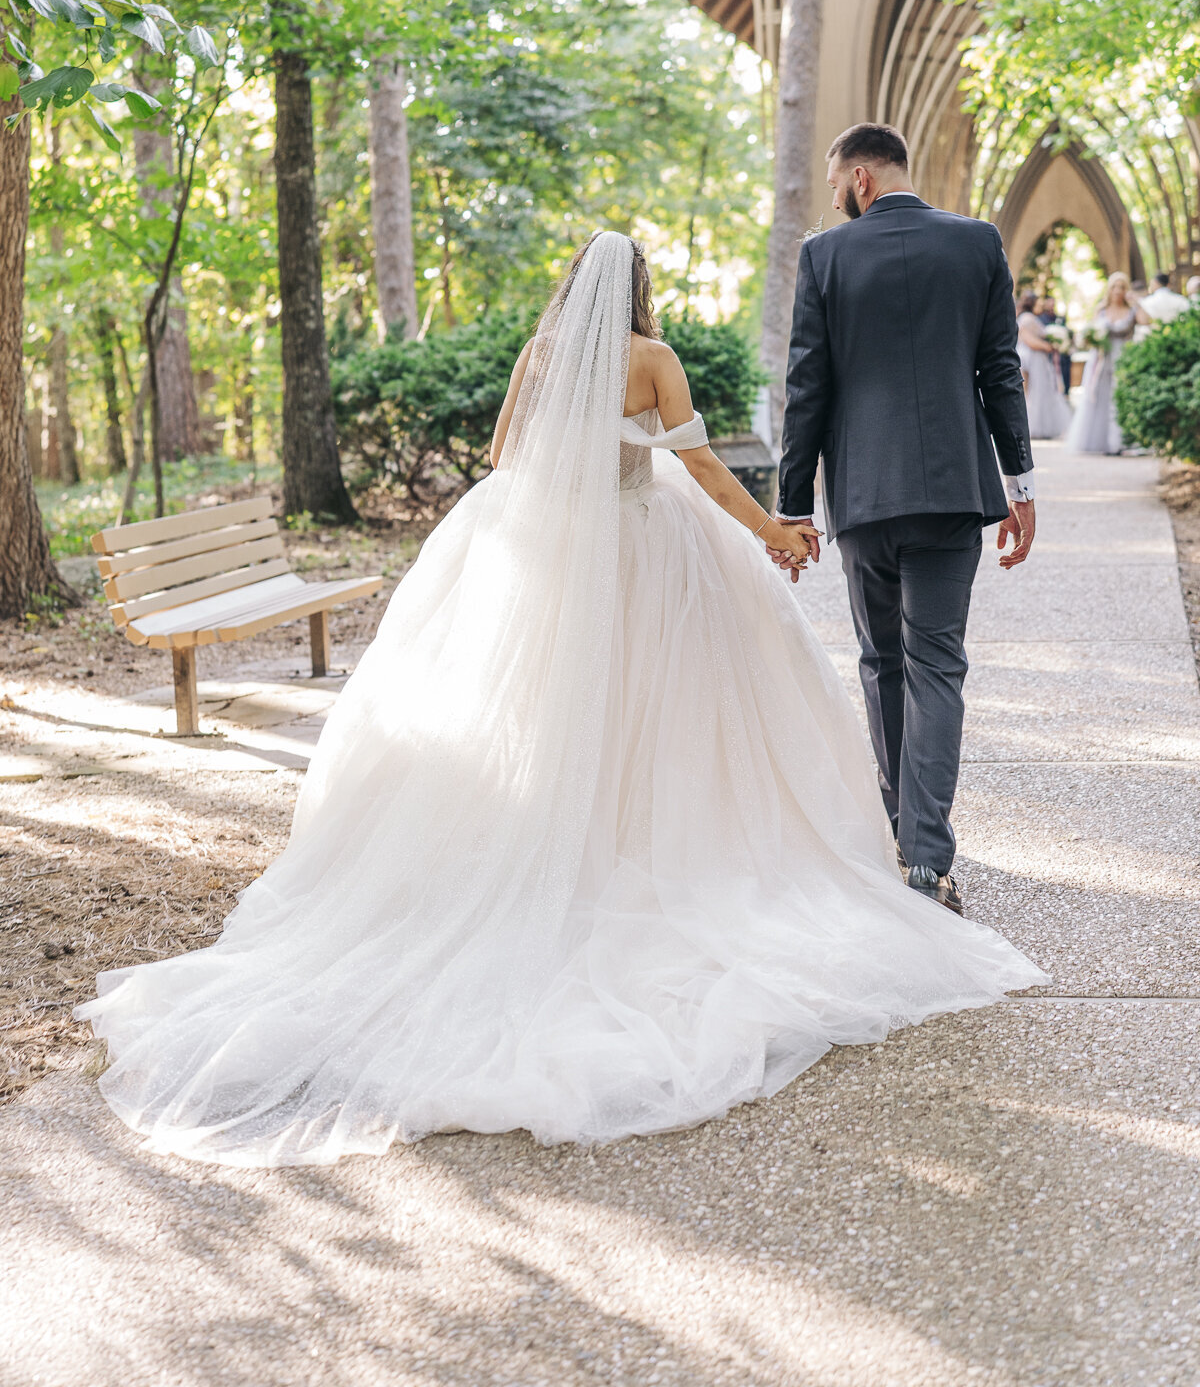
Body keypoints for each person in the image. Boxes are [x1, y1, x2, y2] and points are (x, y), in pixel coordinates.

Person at [76, 232, 1044, 1167]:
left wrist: (567, 495)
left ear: (576, 286)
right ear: (637, 289)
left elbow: (506, 454)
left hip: (547, 547)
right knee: (659, 713)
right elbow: (700, 464)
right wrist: (770, 534)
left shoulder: (541, 353)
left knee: (548, 713)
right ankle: (645, 843)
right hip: (642, 548)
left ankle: (552, 841)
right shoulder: (653, 356)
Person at [771, 123, 1037, 917]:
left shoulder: (825, 256)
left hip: (863, 499)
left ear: (858, 179)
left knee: (882, 660)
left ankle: (902, 832)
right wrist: (1020, 487)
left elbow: (806, 389)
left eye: (832, 187)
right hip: (956, 493)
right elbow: (1001, 373)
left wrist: (792, 510)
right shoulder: (978, 244)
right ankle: (927, 858)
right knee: (938, 664)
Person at [1066, 271, 1149, 455]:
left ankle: (1119, 442)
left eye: (1122, 287)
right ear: (1109, 289)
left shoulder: (1132, 310)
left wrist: (1136, 302)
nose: (1118, 291)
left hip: (1123, 358)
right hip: (1101, 360)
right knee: (1099, 397)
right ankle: (1098, 441)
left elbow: (1145, 321)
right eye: (1115, 287)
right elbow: (1092, 332)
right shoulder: (1101, 310)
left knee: (1118, 398)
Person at [1016, 290, 1072, 439]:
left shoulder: (1027, 317)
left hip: (1034, 357)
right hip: (1033, 358)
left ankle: (1042, 425)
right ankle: (1036, 426)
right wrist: (1049, 347)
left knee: (1039, 391)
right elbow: (1029, 340)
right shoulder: (1027, 318)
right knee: (1036, 391)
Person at [1038, 296, 1073, 394]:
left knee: (1065, 368)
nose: (1051, 305)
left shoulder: (1060, 318)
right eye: (1049, 302)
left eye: (1053, 303)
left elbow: (1068, 333)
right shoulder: (1040, 318)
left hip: (1061, 353)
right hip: (1048, 353)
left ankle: (1066, 392)